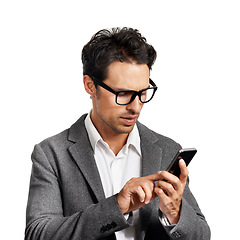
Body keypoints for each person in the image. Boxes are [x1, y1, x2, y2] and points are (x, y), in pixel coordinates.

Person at [25, 27, 210, 240]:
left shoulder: (167, 149)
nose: (136, 107)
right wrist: (116, 206)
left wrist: (175, 213)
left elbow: (202, 236)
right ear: (90, 86)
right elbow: (37, 235)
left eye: (143, 93)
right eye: (123, 94)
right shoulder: (51, 154)